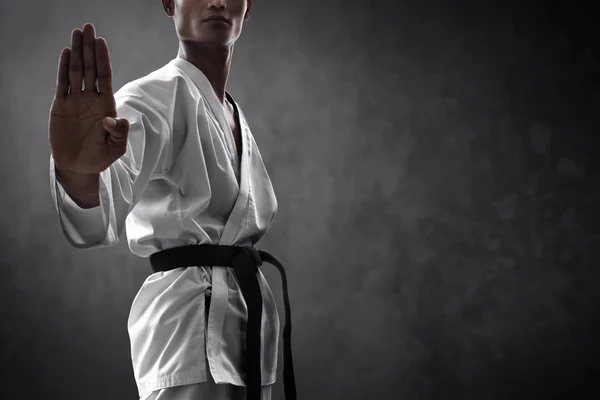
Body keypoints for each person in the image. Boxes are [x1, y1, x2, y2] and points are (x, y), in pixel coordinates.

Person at [47, 1, 295, 399]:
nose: (216, 0)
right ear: (168, 2)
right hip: (185, 331)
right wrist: (79, 171)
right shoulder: (149, 99)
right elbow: (97, 216)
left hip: (248, 327)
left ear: (248, 6)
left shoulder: (232, 112)